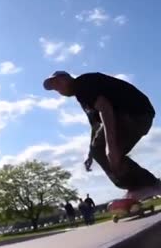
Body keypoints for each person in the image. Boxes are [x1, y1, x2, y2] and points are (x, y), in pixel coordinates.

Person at [43, 71, 161, 200]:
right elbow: (96, 126)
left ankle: (145, 185)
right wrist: (90, 154)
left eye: (59, 83)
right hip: (139, 116)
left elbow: (105, 108)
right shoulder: (83, 99)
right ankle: (147, 184)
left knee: (106, 152)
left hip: (132, 113)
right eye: (55, 88)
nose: (59, 89)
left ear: (68, 78)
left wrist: (110, 147)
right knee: (104, 154)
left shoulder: (82, 83)